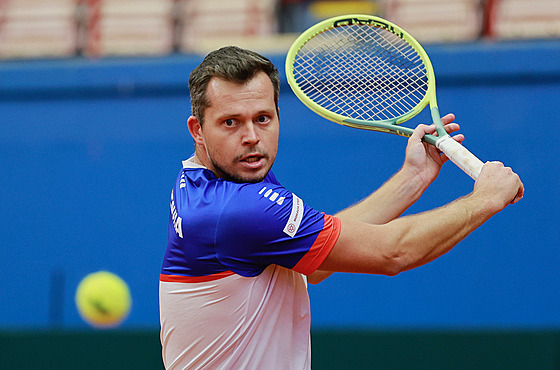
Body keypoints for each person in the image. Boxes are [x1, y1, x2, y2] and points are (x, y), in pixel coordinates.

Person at [159, 46, 523, 369]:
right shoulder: (239, 210)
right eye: (230, 122)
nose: (252, 136)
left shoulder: (214, 179)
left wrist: (413, 178)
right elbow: (392, 253)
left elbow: (314, 264)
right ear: (198, 130)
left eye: (263, 118)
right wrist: (485, 199)